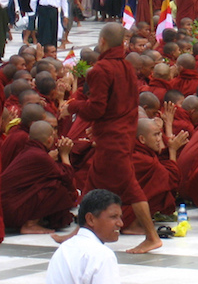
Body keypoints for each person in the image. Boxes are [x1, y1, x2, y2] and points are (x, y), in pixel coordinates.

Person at [64, 22, 162, 253]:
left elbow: (97, 108)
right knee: (92, 182)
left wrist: (72, 106)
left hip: (114, 137)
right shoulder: (128, 67)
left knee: (131, 186)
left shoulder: (100, 70)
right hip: (121, 132)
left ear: (102, 42)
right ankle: (79, 232)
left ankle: (152, 236)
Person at [1, 120, 76, 233]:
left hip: (5, 208)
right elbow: (67, 176)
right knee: (58, 187)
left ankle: (34, 220)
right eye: (54, 130)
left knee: (49, 183)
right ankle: (30, 224)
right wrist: (65, 154)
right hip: (10, 211)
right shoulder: (40, 156)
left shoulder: (29, 151)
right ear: (49, 139)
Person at [46, 189, 123, 284]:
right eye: (113, 217)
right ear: (90, 219)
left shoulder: (64, 248)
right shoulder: (102, 254)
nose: (120, 223)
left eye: (120, 217)